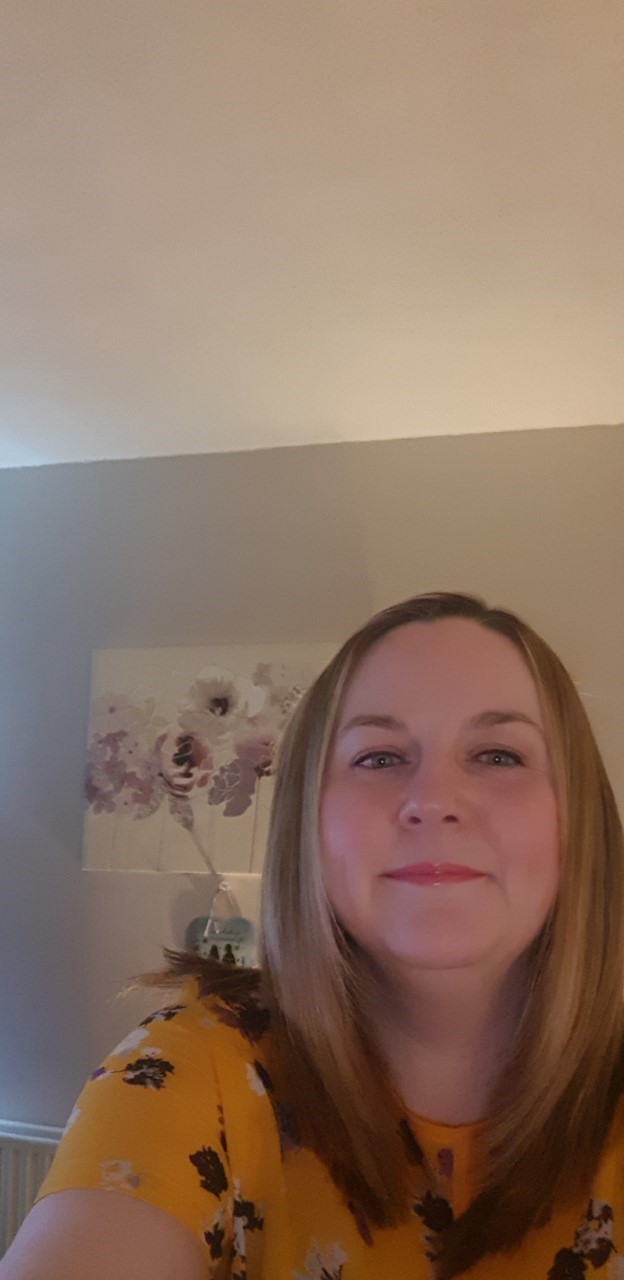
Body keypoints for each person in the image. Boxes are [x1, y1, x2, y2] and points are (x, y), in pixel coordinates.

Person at [3, 591, 624, 1280]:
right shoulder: (191, 1074)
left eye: (500, 755)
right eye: (379, 758)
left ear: (580, 818)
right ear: (309, 824)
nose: (433, 800)